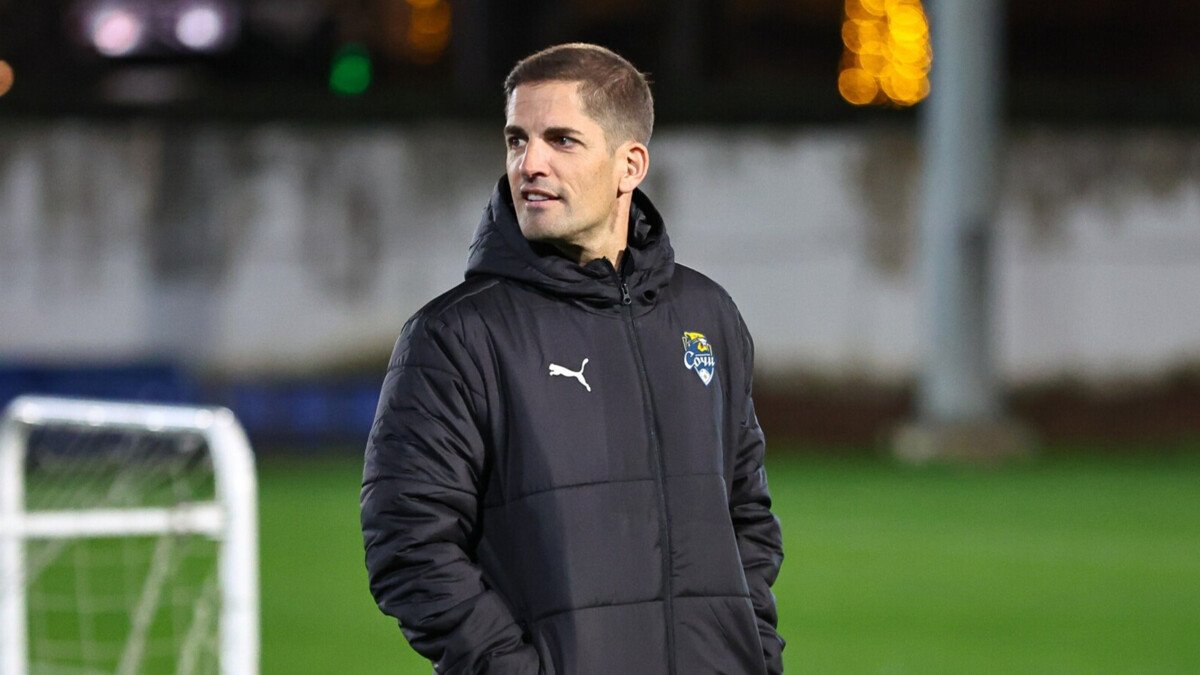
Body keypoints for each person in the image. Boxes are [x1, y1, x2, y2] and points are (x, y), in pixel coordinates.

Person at [361, 43, 784, 674]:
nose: (529, 163)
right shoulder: (456, 336)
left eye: (561, 140)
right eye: (517, 140)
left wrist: (751, 654)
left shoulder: (707, 315)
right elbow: (409, 543)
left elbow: (746, 516)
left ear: (629, 165)